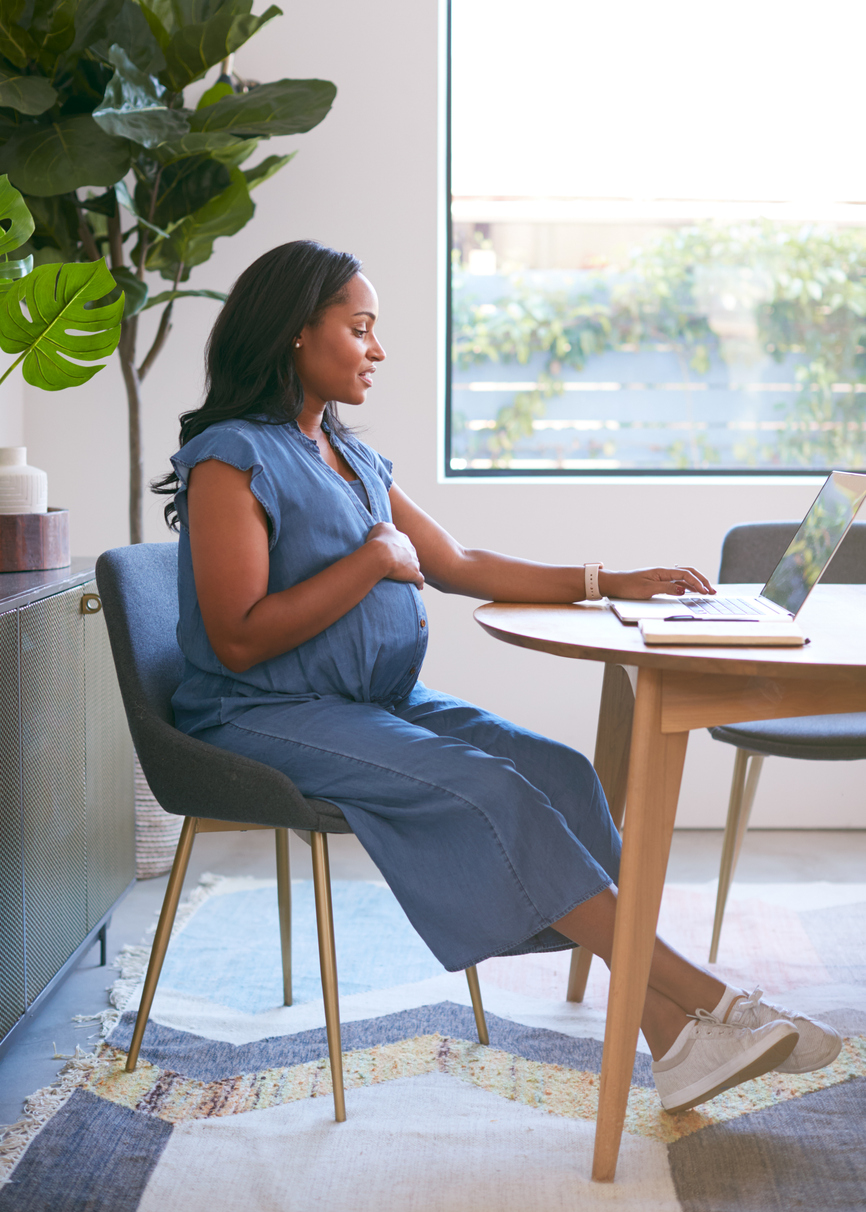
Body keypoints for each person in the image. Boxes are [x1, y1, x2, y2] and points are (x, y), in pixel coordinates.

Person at [153, 239, 840, 1114]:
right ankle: (714, 1002)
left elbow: (459, 560)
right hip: (260, 712)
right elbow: (239, 640)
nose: (378, 348)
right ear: (296, 333)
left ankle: (670, 1041)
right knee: (490, 789)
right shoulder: (229, 459)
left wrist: (608, 581)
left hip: (370, 703)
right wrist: (369, 563)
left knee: (558, 772)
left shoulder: (347, 455)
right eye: (360, 328)